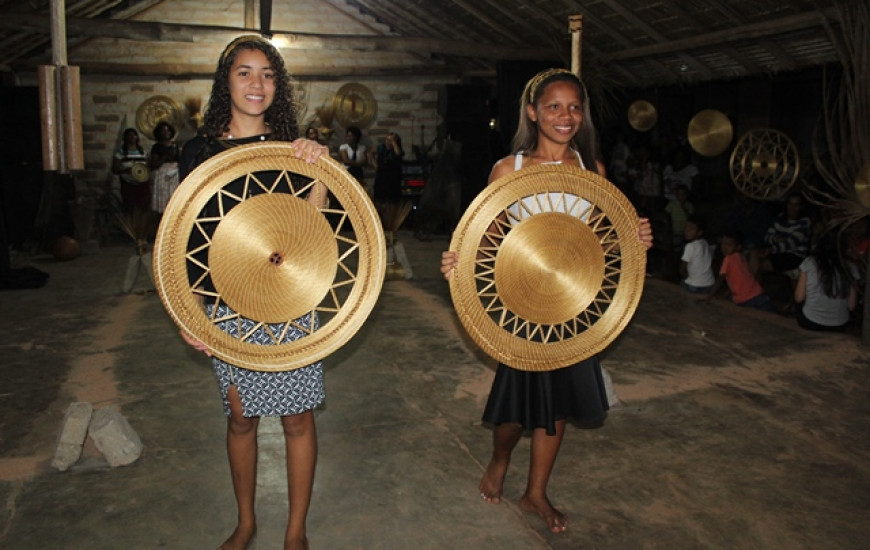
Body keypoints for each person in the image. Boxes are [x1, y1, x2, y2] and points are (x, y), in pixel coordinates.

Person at [440, 68, 653, 534]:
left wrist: (634, 237)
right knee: (516, 405)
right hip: (521, 303)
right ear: (533, 112)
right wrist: (460, 264)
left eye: (574, 107)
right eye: (554, 107)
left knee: (556, 403)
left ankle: (536, 491)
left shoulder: (590, 170)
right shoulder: (508, 170)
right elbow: (487, 237)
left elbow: (606, 240)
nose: (566, 116)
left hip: (576, 304)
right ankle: (500, 458)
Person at [177, 35, 329, 550]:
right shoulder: (198, 152)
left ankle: (295, 530)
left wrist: (319, 170)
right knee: (241, 417)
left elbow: (310, 229)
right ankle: (246, 523)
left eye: (267, 73)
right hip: (226, 299)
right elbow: (186, 237)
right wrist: (189, 311)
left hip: (287, 295)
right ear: (226, 81)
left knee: (297, 416)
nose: (256, 83)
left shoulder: (291, 149)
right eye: (244, 72)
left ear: (277, 85)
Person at [794, 231, 858, 331]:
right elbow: (851, 306)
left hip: (811, 321)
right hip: (839, 324)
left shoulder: (809, 263)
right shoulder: (850, 267)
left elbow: (799, 298)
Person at [749, 192, 812, 279]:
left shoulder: (804, 222)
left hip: (794, 255)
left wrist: (771, 249)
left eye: (796, 205)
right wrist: (775, 239)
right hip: (777, 251)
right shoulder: (780, 218)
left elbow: (791, 243)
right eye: (790, 204)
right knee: (753, 253)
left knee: (761, 264)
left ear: (801, 207)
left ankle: (750, 289)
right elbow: (767, 236)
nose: (792, 208)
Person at [706, 230, 772, 311]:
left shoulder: (728, 259)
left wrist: (709, 296)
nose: (724, 247)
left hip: (746, 298)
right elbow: (738, 280)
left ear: (738, 247)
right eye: (723, 244)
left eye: (729, 245)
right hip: (758, 294)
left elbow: (720, 280)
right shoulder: (741, 257)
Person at [112, 127, 150, 213]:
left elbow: (148, 167)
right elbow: (114, 169)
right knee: (129, 206)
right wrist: (126, 170)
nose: (132, 137)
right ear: (125, 138)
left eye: (134, 135)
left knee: (142, 206)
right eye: (130, 135)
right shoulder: (121, 153)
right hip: (128, 183)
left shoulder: (143, 152)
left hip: (142, 183)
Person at [149, 121, 181, 213]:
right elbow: (154, 165)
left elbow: (179, 160)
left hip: (174, 175)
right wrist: (165, 155)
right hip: (162, 176)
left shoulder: (175, 146)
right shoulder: (157, 147)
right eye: (163, 131)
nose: (166, 133)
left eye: (168, 131)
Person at [680, 216, 714, 295]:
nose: (686, 231)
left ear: (699, 232)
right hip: (709, 283)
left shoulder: (690, 246)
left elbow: (682, 269)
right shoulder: (704, 242)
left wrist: (686, 277)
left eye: (691, 229)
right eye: (686, 228)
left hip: (695, 285)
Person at [370, 131, 404, 205]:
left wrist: (393, 141)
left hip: (393, 179)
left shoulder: (397, 150)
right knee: (380, 200)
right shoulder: (381, 148)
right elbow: (372, 152)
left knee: (392, 201)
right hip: (381, 178)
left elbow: (398, 153)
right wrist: (375, 165)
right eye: (387, 140)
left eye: (391, 141)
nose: (388, 143)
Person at [665, 184, 694, 251]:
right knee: (676, 247)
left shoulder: (689, 205)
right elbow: (666, 215)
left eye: (683, 194)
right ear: (676, 195)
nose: (682, 197)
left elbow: (691, 218)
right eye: (679, 194)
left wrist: (684, 208)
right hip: (675, 230)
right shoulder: (672, 204)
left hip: (685, 231)